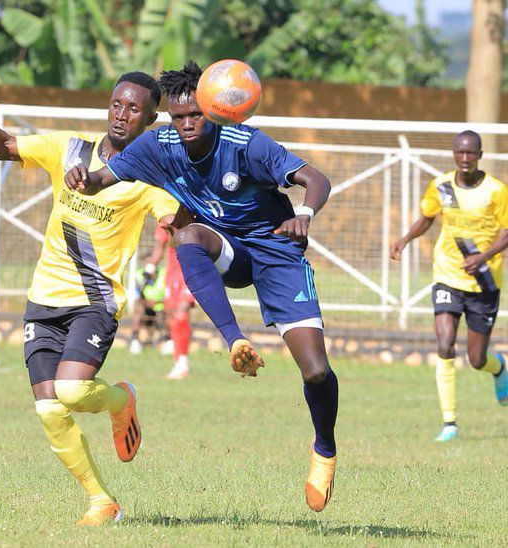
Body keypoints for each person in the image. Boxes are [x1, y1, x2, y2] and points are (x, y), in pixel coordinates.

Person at [65, 61, 339, 512]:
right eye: (178, 116)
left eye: (196, 115)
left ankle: (324, 448)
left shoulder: (246, 143)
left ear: (213, 110)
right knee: (187, 234)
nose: (187, 124)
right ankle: (236, 342)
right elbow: (102, 179)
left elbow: (317, 180)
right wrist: (85, 179)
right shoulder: (160, 144)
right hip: (227, 249)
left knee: (315, 371)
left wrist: (303, 215)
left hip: (277, 250)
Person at [0, 71, 178, 525]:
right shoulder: (69, 149)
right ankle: (101, 501)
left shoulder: (148, 179)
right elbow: (3, 146)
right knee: (49, 410)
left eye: (135, 109)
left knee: (72, 391)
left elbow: (173, 218)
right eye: (117, 104)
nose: (122, 114)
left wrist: (186, 225)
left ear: (151, 119)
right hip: (43, 301)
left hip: (94, 304)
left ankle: (120, 400)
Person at [391, 130, 508, 442]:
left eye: (471, 153)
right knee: (444, 344)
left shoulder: (496, 191)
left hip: (484, 281)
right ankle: (450, 423)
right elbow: (428, 217)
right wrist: (405, 239)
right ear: (454, 154)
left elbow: (506, 233)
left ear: (480, 155)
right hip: (447, 274)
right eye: (460, 153)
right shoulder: (442, 186)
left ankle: (498, 368)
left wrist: (483, 256)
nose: (465, 158)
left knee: (476, 359)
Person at [145, 225, 196, 379]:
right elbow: (159, 247)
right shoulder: (165, 217)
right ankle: (178, 360)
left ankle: (182, 362)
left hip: (193, 272)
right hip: (173, 274)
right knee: (172, 317)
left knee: (181, 313)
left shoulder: (196, 212)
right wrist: (150, 266)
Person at [128, 260, 167, 355]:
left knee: (171, 310)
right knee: (138, 308)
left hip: (162, 305)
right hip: (146, 305)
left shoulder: (164, 274)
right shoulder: (139, 275)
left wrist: (157, 302)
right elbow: (138, 297)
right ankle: (135, 340)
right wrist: (147, 302)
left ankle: (168, 340)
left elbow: (171, 296)